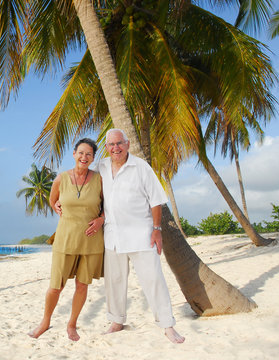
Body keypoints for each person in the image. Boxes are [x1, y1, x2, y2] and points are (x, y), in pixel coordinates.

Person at [95, 128, 185, 344]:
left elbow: (155, 200)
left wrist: (157, 229)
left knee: (153, 279)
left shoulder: (141, 167)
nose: (115, 148)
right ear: (106, 148)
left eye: (119, 143)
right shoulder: (102, 167)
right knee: (114, 282)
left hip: (141, 234)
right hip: (112, 235)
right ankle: (116, 321)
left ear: (127, 144)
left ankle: (167, 326)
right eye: (111, 145)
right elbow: (84, 184)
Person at [29, 138, 105, 341]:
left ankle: (72, 325)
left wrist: (101, 220)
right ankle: (45, 322)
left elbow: (108, 207)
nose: (84, 157)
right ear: (74, 154)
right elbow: (52, 200)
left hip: (91, 242)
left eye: (89, 154)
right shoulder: (61, 179)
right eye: (81, 153)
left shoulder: (99, 179)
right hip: (65, 240)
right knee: (56, 286)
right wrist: (55, 206)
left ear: (93, 158)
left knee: (82, 285)